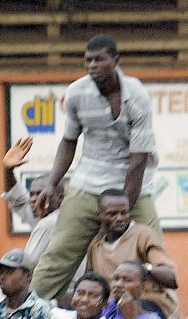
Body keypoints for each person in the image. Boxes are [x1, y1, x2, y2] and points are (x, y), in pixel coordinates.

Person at [31, 35, 162, 303]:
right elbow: (68, 142)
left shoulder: (136, 96)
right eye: (88, 60)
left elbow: (138, 160)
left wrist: (120, 212)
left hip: (134, 183)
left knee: (154, 252)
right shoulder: (77, 93)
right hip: (89, 181)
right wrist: (52, 183)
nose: (92, 65)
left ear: (115, 60)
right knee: (60, 252)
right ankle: (28, 310)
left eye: (99, 59)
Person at [86, 190, 180, 319]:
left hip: (146, 304)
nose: (120, 218)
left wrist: (144, 269)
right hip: (111, 308)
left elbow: (171, 278)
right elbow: (91, 281)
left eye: (124, 213)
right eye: (112, 214)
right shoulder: (96, 246)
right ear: (100, 216)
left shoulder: (142, 235)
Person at [1, 136, 67, 270]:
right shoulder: (40, 215)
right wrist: (8, 169)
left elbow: (26, 267)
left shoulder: (52, 221)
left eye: (40, 194)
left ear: (60, 198)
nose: (33, 199)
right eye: (32, 194)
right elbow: (17, 199)